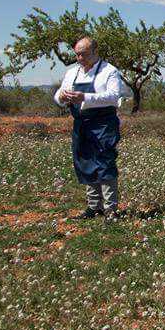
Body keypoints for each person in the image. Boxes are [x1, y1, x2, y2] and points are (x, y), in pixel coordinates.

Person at [54, 36, 123, 224]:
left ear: (95, 52)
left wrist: (84, 96)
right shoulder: (72, 73)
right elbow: (58, 97)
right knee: (85, 161)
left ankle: (111, 209)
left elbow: (113, 96)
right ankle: (94, 206)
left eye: (83, 54)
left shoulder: (109, 71)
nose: (79, 58)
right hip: (81, 124)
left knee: (104, 162)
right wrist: (62, 96)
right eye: (77, 54)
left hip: (103, 123)